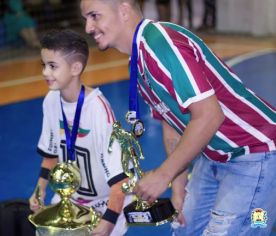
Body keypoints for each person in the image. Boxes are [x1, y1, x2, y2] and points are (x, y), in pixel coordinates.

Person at [80, 0, 276, 235]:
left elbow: (209, 115)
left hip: (257, 154)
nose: (88, 28)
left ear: (123, 10)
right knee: (184, 228)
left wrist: (163, 175)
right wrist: (178, 187)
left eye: (94, 16)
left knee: (254, 224)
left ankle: (261, 216)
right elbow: (171, 125)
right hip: (212, 156)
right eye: (86, 19)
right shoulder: (138, 60)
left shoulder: (162, 43)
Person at [28, 29, 131, 236]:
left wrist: (109, 220)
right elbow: (50, 154)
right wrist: (39, 191)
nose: (45, 72)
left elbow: (121, 179)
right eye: (44, 65)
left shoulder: (98, 109)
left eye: (53, 66)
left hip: (108, 201)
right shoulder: (51, 101)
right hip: (70, 199)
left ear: (75, 68)